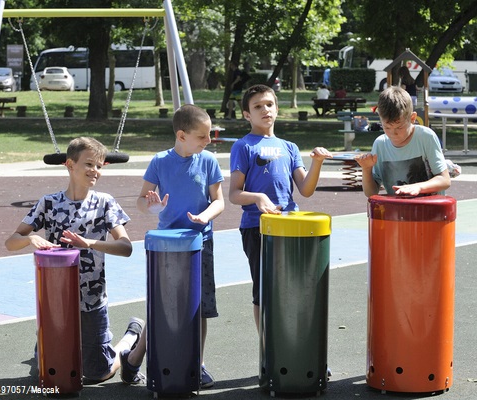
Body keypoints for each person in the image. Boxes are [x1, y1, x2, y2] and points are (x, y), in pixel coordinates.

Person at [5, 137, 143, 384]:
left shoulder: (104, 203)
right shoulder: (48, 203)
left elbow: (126, 247)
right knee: (47, 372)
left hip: (92, 299)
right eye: (89, 164)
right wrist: (31, 239)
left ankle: (131, 337)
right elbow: (11, 241)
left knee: (98, 373)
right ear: (70, 165)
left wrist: (88, 243)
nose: (95, 171)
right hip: (55, 302)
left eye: (100, 166)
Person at [122, 104, 225, 389]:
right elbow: (142, 201)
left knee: (199, 309)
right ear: (182, 135)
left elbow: (219, 200)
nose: (208, 141)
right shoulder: (159, 161)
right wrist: (152, 208)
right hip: (166, 249)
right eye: (202, 136)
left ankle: (197, 363)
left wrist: (205, 216)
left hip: (200, 244)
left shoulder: (208, 161)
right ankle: (134, 357)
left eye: (209, 135)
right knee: (163, 308)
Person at [228, 84, 333, 331]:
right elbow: (234, 194)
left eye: (269, 104)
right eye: (257, 106)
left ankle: (293, 343)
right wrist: (257, 198)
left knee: (294, 287)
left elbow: (305, 189)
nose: (265, 109)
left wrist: (316, 163)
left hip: (290, 227)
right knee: (264, 289)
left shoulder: (289, 147)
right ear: (246, 115)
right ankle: (268, 347)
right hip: (258, 228)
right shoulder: (243, 146)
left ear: (276, 108)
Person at [355, 86, 451, 198]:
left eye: (399, 127)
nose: (393, 133)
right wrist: (366, 169)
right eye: (386, 127)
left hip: (429, 211)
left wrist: (418, 187)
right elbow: (371, 193)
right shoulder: (380, 144)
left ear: (412, 118)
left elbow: (445, 180)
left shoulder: (425, 137)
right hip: (397, 212)